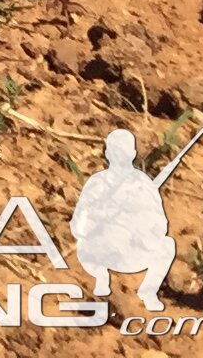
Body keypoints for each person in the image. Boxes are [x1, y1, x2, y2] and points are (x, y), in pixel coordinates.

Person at [70, 129, 177, 311]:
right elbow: (78, 223)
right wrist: (102, 219)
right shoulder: (97, 183)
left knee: (167, 245)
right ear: (108, 154)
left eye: (124, 152)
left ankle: (148, 291)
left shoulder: (143, 184)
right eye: (116, 152)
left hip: (131, 250)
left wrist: (140, 225)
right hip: (101, 250)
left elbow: (160, 224)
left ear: (133, 154)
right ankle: (102, 277)